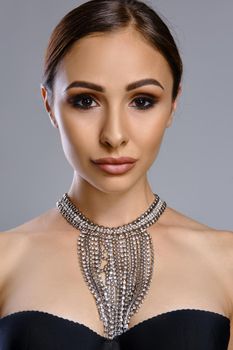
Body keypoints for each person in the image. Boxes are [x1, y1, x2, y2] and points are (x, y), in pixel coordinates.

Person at [0, 0, 232, 349]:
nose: (114, 135)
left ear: (173, 103)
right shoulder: (5, 261)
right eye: (85, 101)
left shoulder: (227, 262)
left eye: (141, 101)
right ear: (49, 105)